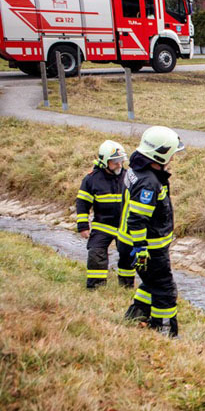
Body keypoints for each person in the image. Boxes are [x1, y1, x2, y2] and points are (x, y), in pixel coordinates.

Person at [118, 126, 185, 337]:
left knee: (150, 282)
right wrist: (141, 249)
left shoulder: (138, 170)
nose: (173, 158)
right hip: (147, 248)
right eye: (172, 154)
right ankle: (164, 330)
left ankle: (136, 315)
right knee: (165, 289)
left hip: (134, 244)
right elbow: (137, 220)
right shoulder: (149, 183)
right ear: (160, 154)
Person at [76, 140, 135, 289]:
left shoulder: (129, 177)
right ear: (104, 161)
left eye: (121, 161)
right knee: (96, 254)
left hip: (124, 226)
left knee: (128, 257)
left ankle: (126, 288)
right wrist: (83, 226)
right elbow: (83, 203)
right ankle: (96, 288)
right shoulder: (92, 179)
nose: (119, 164)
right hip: (103, 225)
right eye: (115, 162)